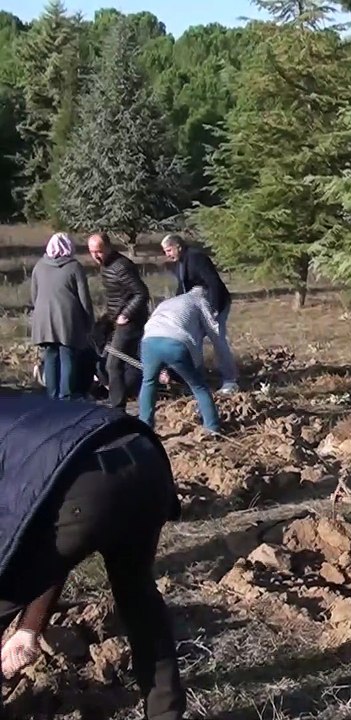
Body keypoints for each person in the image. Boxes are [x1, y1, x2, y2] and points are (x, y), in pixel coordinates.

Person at [0, 395, 185, 719]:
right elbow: (44, 533)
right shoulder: (22, 407)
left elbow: (24, 528)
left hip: (82, 481)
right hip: (145, 458)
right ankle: (165, 712)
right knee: (137, 595)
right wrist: (30, 628)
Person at [137, 287, 228, 434]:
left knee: (148, 383)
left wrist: (163, 368)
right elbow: (213, 329)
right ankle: (212, 428)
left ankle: (145, 429)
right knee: (199, 386)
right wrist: (216, 355)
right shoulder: (200, 301)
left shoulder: (168, 302)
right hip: (175, 342)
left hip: (148, 341)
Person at [160, 234, 237, 394]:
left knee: (218, 340)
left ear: (178, 247)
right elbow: (183, 288)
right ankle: (198, 380)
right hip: (197, 306)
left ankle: (230, 380)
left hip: (215, 303)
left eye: (168, 250)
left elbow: (213, 282)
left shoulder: (196, 258)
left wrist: (214, 309)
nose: (167, 254)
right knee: (193, 342)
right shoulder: (180, 263)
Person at [89, 233, 151, 409]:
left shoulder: (121, 266)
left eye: (99, 251)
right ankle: (116, 388)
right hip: (115, 316)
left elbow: (141, 293)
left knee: (113, 363)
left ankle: (117, 404)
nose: (96, 256)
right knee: (95, 338)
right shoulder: (106, 265)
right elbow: (117, 295)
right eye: (92, 252)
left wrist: (127, 314)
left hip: (130, 321)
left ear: (108, 248)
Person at [30, 233, 95, 400]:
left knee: (50, 356)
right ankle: (66, 395)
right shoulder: (74, 267)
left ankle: (52, 396)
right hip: (68, 320)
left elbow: (33, 296)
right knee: (68, 356)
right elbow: (84, 299)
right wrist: (89, 323)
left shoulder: (39, 266)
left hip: (44, 321)